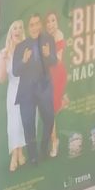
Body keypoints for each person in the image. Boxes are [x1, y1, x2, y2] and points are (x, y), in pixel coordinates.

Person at [14, 12, 57, 166]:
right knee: (28, 124)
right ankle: (32, 156)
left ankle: (44, 148)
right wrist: (24, 60)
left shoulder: (48, 40)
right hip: (27, 92)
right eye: (32, 25)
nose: (35, 27)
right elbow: (15, 71)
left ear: (41, 25)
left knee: (49, 119)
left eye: (38, 23)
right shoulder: (20, 47)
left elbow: (54, 61)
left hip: (44, 88)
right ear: (28, 27)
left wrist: (48, 55)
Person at [0, 19, 27, 171]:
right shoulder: (4, 53)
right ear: (11, 33)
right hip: (13, 92)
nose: (18, 30)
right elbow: (2, 79)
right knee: (14, 124)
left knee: (22, 123)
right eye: (15, 28)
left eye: (20, 28)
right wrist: (3, 61)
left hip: (27, 91)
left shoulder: (27, 49)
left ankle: (20, 152)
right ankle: (14, 155)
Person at [44, 9, 68, 158]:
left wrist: (47, 54)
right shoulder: (46, 37)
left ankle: (54, 142)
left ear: (57, 22)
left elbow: (56, 60)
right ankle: (63, 101)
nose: (50, 24)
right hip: (48, 76)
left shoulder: (59, 35)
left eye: (53, 20)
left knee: (49, 111)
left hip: (57, 75)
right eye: (48, 21)